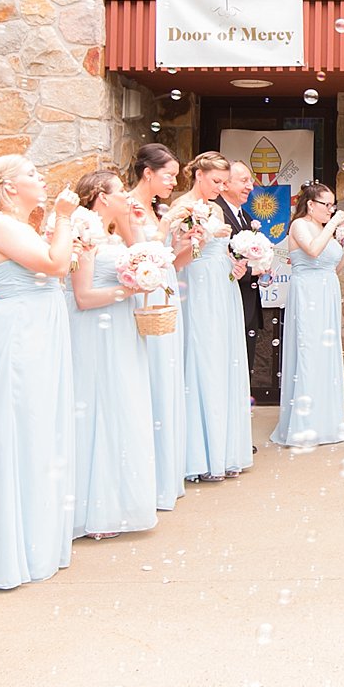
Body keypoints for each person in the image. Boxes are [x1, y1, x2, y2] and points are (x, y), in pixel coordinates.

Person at [0, 155, 80, 590]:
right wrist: (63, 219)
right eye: (31, 174)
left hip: (40, 328)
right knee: (20, 425)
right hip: (21, 332)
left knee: (40, 427)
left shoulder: (20, 226)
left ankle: (36, 535)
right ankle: (10, 548)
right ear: (8, 186)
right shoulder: (2, 225)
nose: (40, 178)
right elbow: (56, 266)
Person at [66, 170, 158, 540]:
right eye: (121, 191)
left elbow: (138, 256)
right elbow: (84, 297)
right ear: (101, 196)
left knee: (123, 404)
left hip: (119, 328)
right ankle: (93, 507)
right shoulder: (83, 229)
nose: (128, 195)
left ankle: (118, 501)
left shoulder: (110, 231)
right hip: (95, 330)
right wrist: (129, 290)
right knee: (98, 405)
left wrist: (133, 223)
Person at [168, 152, 253, 482]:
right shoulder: (181, 208)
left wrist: (237, 263)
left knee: (225, 359)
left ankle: (226, 449)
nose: (221, 187)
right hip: (197, 288)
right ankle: (200, 454)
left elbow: (222, 249)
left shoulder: (216, 209)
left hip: (223, 285)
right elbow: (176, 259)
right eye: (216, 181)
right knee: (202, 358)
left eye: (224, 182)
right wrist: (200, 241)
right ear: (198, 175)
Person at [272, 182, 344, 448]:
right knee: (308, 352)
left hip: (326, 292)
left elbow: (333, 267)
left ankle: (325, 423)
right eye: (327, 205)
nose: (331, 210)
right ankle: (304, 427)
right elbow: (312, 251)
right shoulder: (300, 226)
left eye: (333, 205)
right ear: (311, 205)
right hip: (307, 294)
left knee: (325, 354)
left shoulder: (322, 229)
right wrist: (335, 225)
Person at [128, 144, 188, 510]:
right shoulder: (130, 207)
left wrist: (185, 244)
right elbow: (137, 255)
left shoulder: (154, 209)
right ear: (147, 173)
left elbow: (171, 263)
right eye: (168, 175)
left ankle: (167, 470)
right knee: (150, 375)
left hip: (165, 294)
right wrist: (167, 226)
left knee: (167, 375)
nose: (174, 181)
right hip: (146, 299)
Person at [216, 160, 262, 376]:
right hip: (228, 301)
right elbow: (220, 261)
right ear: (225, 184)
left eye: (250, 181)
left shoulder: (246, 216)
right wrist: (253, 271)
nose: (250, 187)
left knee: (244, 367)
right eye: (244, 181)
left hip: (247, 302)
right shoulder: (217, 215)